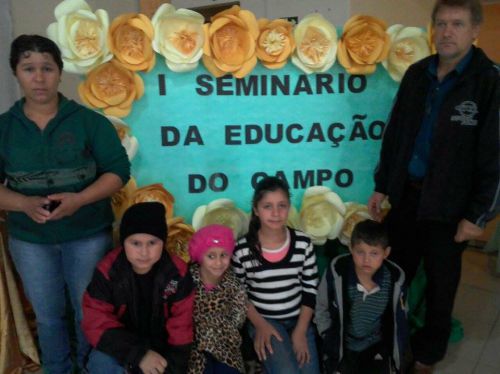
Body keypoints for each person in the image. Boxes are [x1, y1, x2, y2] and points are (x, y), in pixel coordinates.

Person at [367, 0, 499, 372]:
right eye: (440, 23)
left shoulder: (490, 81)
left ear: (475, 30)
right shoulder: (416, 73)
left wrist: (479, 215)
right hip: (407, 197)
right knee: (392, 276)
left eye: (457, 24)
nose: (446, 32)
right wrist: (382, 185)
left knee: (442, 288)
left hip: (452, 208)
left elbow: (497, 157)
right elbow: (395, 134)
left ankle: (427, 356)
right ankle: (387, 343)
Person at [0, 34, 130, 373]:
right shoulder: (4, 128)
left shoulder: (89, 122)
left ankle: (91, 367)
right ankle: (57, 369)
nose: (39, 77)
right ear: (16, 72)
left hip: (87, 233)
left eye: (47, 68)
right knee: (47, 315)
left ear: (60, 72)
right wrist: (23, 203)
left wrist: (81, 199)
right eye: (29, 68)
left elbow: (119, 170)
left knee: (89, 310)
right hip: (30, 240)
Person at [82, 202, 194, 373]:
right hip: (122, 347)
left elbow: (181, 326)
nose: (144, 252)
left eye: (152, 243)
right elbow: (96, 322)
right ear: (123, 242)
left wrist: (175, 367)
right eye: (135, 243)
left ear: (163, 242)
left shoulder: (177, 273)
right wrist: (138, 355)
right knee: (100, 363)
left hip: (161, 348)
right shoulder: (108, 271)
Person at [232, 176, 320, 374]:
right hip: (264, 321)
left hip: (300, 320)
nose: (275, 213)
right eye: (267, 206)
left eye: (282, 205)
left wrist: (300, 331)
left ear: (289, 207)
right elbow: (239, 294)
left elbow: (310, 290)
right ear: (256, 210)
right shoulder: (243, 250)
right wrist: (260, 325)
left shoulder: (303, 243)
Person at [315, 219, 408, 374]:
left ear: (386, 253)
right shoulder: (337, 271)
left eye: (374, 253)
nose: (366, 260)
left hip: (375, 345)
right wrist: (328, 336)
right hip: (343, 346)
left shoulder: (394, 279)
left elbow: (400, 318)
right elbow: (321, 306)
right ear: (351, 248)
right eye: (360, 252)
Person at [187, 224, 247, 374]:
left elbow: (239, 316)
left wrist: (220, 329)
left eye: (223, 255)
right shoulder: (186, 280)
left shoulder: (233, 283)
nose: (218, 263)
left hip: (225, 345)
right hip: (193, 346)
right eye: (211, 256)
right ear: (200, 256)